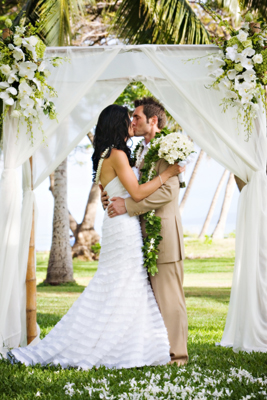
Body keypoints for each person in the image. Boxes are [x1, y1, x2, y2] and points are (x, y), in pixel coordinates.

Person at [8, 104, 182, 370]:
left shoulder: (102, 155)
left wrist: (109, 196)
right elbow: (135, 193)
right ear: (117, 124)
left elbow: (109, 191)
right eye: (128, 120)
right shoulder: (118, 155)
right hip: (123, 227)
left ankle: (134, 344)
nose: (132, 124)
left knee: (119, 284)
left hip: (115, 224)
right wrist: (168, 175)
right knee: (123, 283)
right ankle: (120, 346)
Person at [101, 97, 188, 366]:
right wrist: (109, 196)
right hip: (139, 236)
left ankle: (178, 356)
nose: (132, 121)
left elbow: (168, 190)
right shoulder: (140, 150)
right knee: (151, 299)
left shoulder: (167, 149)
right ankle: (158, 350)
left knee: (169, 297)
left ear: (153, 120)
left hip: (163, 235)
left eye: (137, 117)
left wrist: (127, 205)